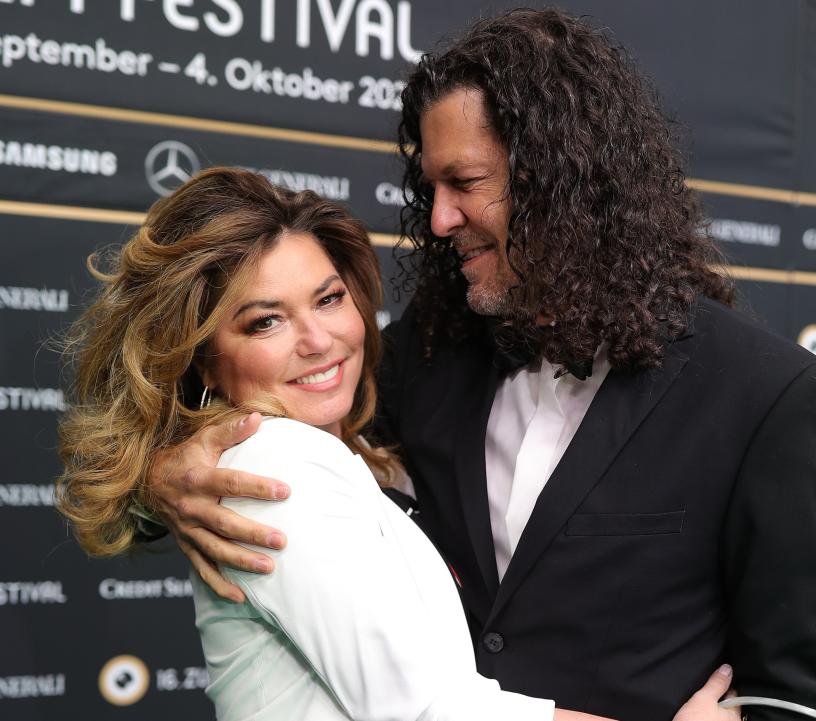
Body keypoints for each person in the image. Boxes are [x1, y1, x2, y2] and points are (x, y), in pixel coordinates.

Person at [147, 9, 816, 721]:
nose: (441, 219)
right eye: (433, 188)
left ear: (563, 178)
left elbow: (792, 697)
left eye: (466, 181)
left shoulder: (766, 395)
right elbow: (281, 459)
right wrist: (166, 475)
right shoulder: (431, 346)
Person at [57, 167, 739, 721]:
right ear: (204, 358)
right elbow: (432, 712)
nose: (319, 340)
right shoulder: (271, 466)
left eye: (327, 299)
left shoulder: (335, 444)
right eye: (265, 321)